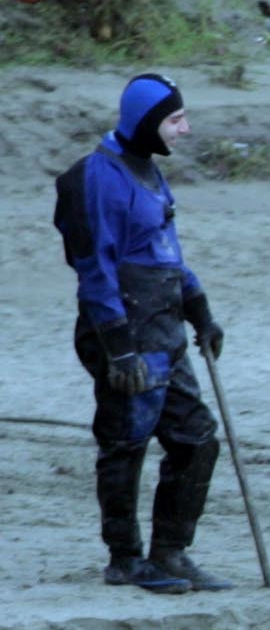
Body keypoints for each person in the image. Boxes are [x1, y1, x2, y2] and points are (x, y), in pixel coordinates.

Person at [51, 73, 230, 593]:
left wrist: (200, 311)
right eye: (176, 119)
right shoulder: (99, 178)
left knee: (197, 440)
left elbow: (165, 251)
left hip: (165, 331)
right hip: (127, 336)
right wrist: (119, 348)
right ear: (148, 122)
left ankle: (171, 554)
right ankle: (125, 559)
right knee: (125, 445)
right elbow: (95, 271)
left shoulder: (149, 172)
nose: (185, 128)